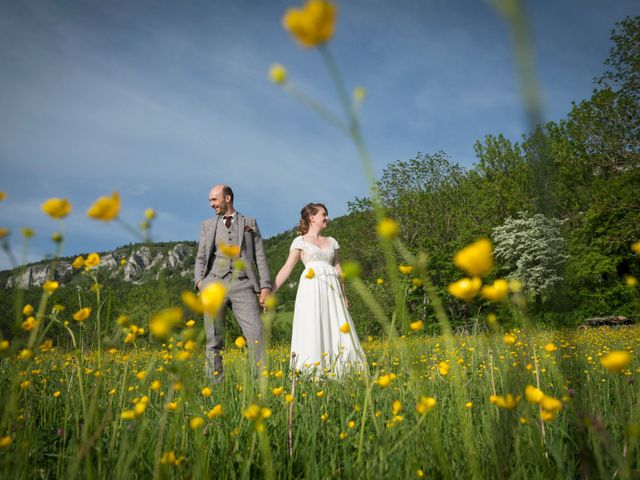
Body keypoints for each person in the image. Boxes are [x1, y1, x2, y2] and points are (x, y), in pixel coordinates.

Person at [273, 202, 365, 377]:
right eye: (324, 214)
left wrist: (344, 295)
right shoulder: (299, 241)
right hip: (311, 288)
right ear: (311, 218)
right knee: (313, 323)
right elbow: (287, 268)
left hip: (333, 289)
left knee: (338, 325)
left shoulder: (332, 241)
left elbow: (339, 270)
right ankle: (312, 371)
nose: (327, 218)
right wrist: (270, 291)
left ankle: (345, 370)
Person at [194, 184, 271, 382]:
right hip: (213, 284)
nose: (211, 204)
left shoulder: (249, 222)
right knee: (213, 339)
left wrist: (265, 287)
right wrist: (199, 283)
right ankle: (214, 386)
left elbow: (259, 256)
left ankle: (259, 386)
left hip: (243, 284)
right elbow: (201, 257)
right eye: (210, 200)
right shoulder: (207, 225)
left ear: (227, 198)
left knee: (257, 336)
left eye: (214, 199)